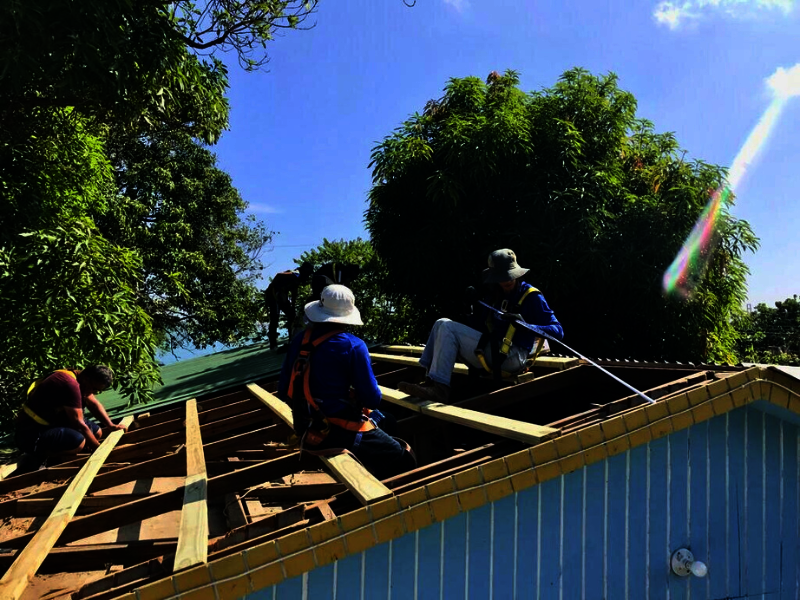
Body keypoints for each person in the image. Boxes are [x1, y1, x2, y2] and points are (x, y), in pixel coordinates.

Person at [277, 284, 415, 479]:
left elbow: (283, 390)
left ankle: (370, 466)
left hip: (306, 427)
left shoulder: (300, 341)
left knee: (387, 420)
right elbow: (372, 399)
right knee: (403, 458)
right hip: (338, 431)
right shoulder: (353, 345)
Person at [398, 248, 564, 403]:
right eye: (502, 276)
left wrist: (525, 325)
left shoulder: (531, 296)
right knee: (441, 322)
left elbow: (558, 331)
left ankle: (440, 390)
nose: (507, 280)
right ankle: (429, 380)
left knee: (448, 328)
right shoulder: (495, 297)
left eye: (510, 275)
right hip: (493, 352)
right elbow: (480, 330)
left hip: (514, 357)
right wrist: (469, 310)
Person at [15, 365, 126, 470]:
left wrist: (111, 425)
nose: (93, 392)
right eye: (93, 388)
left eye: (97, 390)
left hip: (51, 423)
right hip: (31, 433)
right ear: (87, 379)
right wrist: (98, 448)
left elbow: (94, 404)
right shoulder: (70, 384)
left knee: (97, 432)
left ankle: (67, 449)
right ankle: (40, 456)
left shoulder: (80, 379)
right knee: (78, 442)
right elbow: (78, 423)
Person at [265, 262, 314, 350]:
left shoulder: (298, 279)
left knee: (292, 315)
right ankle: (273, 344)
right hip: (273, 295)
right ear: (305, 271)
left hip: (282, 297)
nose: (308, 276)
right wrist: (277, 291)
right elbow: (279, 275)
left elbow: (294, 293)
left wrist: (293, 307)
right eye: (308, 273)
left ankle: (291, 339)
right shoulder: (295, 274)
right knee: (275, 317)